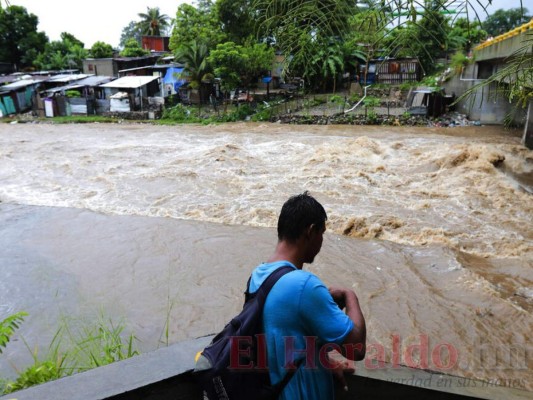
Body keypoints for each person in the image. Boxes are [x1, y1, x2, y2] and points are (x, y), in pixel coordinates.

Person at [247, 192, 366, 400]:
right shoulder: (304, 285)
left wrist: (322, 361)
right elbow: (356, 348)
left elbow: (277, 336)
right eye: (322, 233)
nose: (321, 241)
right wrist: (350, 296)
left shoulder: (258, 276)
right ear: (310, 232)